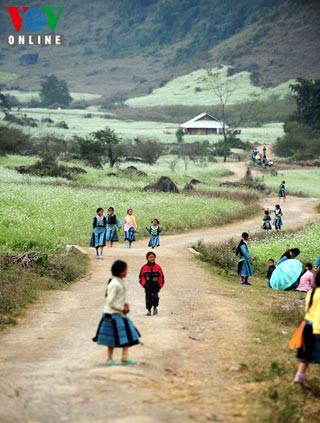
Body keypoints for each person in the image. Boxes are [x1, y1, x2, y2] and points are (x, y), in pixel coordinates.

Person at [92, 260, 141, 366]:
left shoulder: (119, 281)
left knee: (127, 334)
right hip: (112, 314)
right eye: (126, 270)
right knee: (112, 337)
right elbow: (110, 301)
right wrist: (121, 308)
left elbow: (118, 298)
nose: (127, 272)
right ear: (121, 271)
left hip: (118, 313)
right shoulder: (115, 284)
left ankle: (124, 358)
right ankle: (110, 359)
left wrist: (125, 305)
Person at [292, 269, 320, 387]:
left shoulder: (312, 291)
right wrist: (318, 332)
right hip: (316, 328)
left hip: (306, 325)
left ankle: (299, 376)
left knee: (306, 355)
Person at [139, 252, 165, 316]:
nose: (152, 258)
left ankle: (155, 308)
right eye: (150, 257)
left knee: (155, 297)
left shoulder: (158, 267)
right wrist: (144, 285)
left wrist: (159, 285)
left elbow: (161, 277)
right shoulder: (144, 267)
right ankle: (149, 310)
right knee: (148, 298)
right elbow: (141, 277)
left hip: (156, 285)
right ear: (147, 258)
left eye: (153, 257)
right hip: (147, 286)